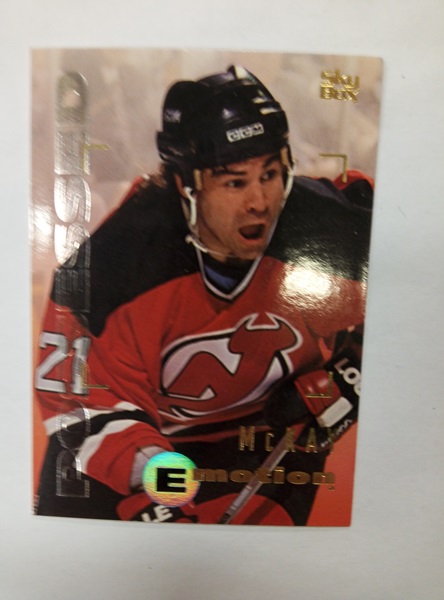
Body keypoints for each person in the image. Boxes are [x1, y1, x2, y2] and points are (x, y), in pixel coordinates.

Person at [35, 65, 372, 525]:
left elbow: (417, 301)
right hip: (140, 446)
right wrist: (159, 479)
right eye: (235, 182)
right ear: (186, 185)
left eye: (270, 174)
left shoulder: (334, 230)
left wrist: (352, 371)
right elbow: (77, 405)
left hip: (269, 439)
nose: (260, 201)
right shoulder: (113, 267)